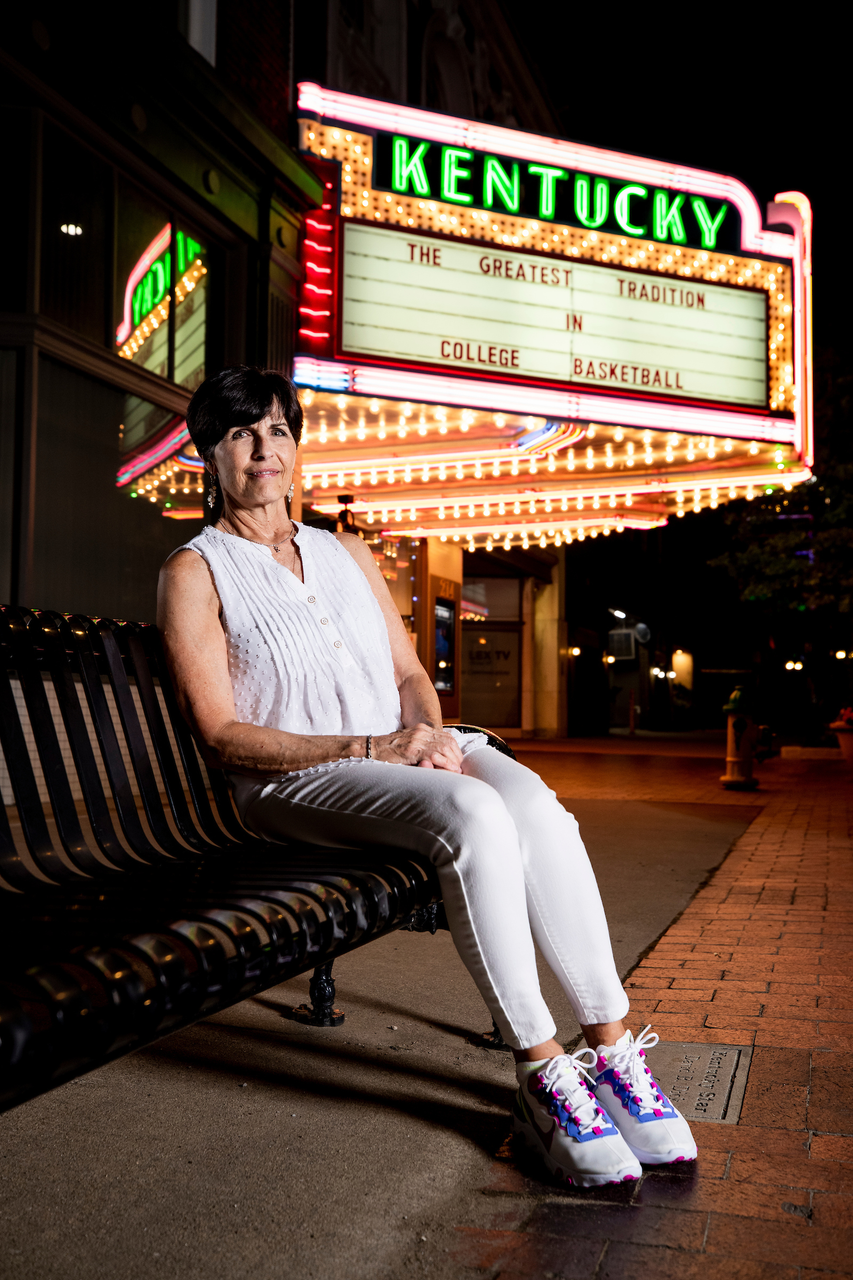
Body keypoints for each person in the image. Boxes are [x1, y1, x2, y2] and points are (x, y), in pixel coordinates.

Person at [157, 365, 697, 1188]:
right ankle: (540, 1070)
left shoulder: (348, 554)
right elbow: (221, 734)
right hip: (294, 782)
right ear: (210, 456)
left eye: (275, 429)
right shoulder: (195, 572)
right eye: (238, 433)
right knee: (475, 816)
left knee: (539, 810)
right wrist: (376, 748)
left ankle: (613, 1048)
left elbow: (412, 674)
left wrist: (432, 736)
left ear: (296, 445)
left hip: (405, 751)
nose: (261, 449)